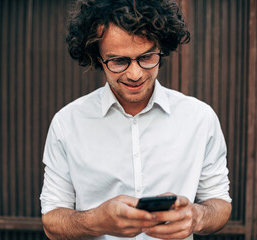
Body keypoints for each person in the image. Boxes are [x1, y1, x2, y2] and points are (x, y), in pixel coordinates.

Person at [40, 0, 232, 239]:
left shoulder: (200, 118)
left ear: (161, 48)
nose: (135, 74)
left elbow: (220, 203)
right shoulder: (67, 123)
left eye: (147, 57)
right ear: (98, 58)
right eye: (119, 61)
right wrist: (96, 221)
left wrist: (197, 216)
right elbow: (51, 221)